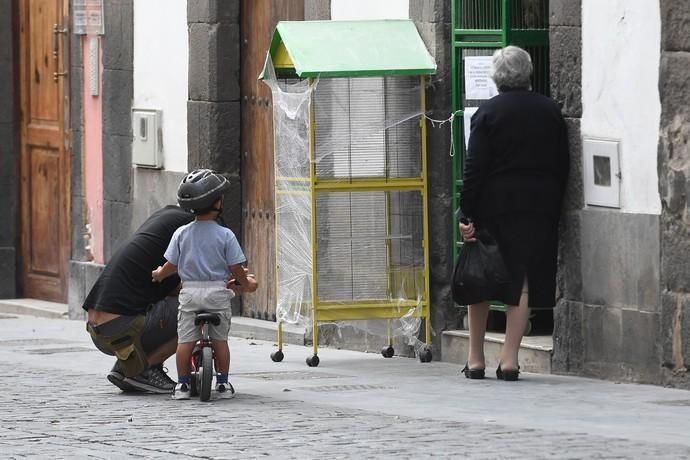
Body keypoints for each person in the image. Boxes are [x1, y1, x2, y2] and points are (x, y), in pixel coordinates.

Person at [457, 46, 569, 381]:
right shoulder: (550, 111)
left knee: (481, 275)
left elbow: (475, 167)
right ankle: (509, 360)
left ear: (496, 77)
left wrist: (467, 213)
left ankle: (476, 359)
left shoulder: (488, 113)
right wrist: (554, 206)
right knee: (522, 278)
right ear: (529, 71)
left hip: (494, 204)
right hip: (537, 205)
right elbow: (562, 163)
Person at [152, 169, 258, 400]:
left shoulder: (181, 233)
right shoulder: (225, 235)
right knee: (220, 340)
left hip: (190, 293)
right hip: (217, 293)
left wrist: (159, 274)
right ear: (217, 202)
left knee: (185, 341)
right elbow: (235, 268)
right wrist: (246, 283)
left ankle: (182, 385)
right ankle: (222, 383)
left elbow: (170, 264)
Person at [83, 205, 195, 393]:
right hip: (118, 329)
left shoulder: (165, 219)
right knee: (195, 310)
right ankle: (144, 370)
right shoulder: (190, 229)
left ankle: (126, 367)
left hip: (97, 329)